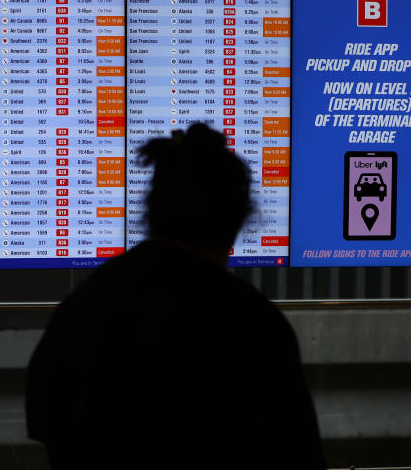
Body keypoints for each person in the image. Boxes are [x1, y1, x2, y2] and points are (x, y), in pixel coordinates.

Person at [26, 123, 325, 469]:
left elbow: (47, 419)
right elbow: (295, 452)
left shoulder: (84, 305)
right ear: (238, 219)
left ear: (152, 209)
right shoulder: (252, 323)